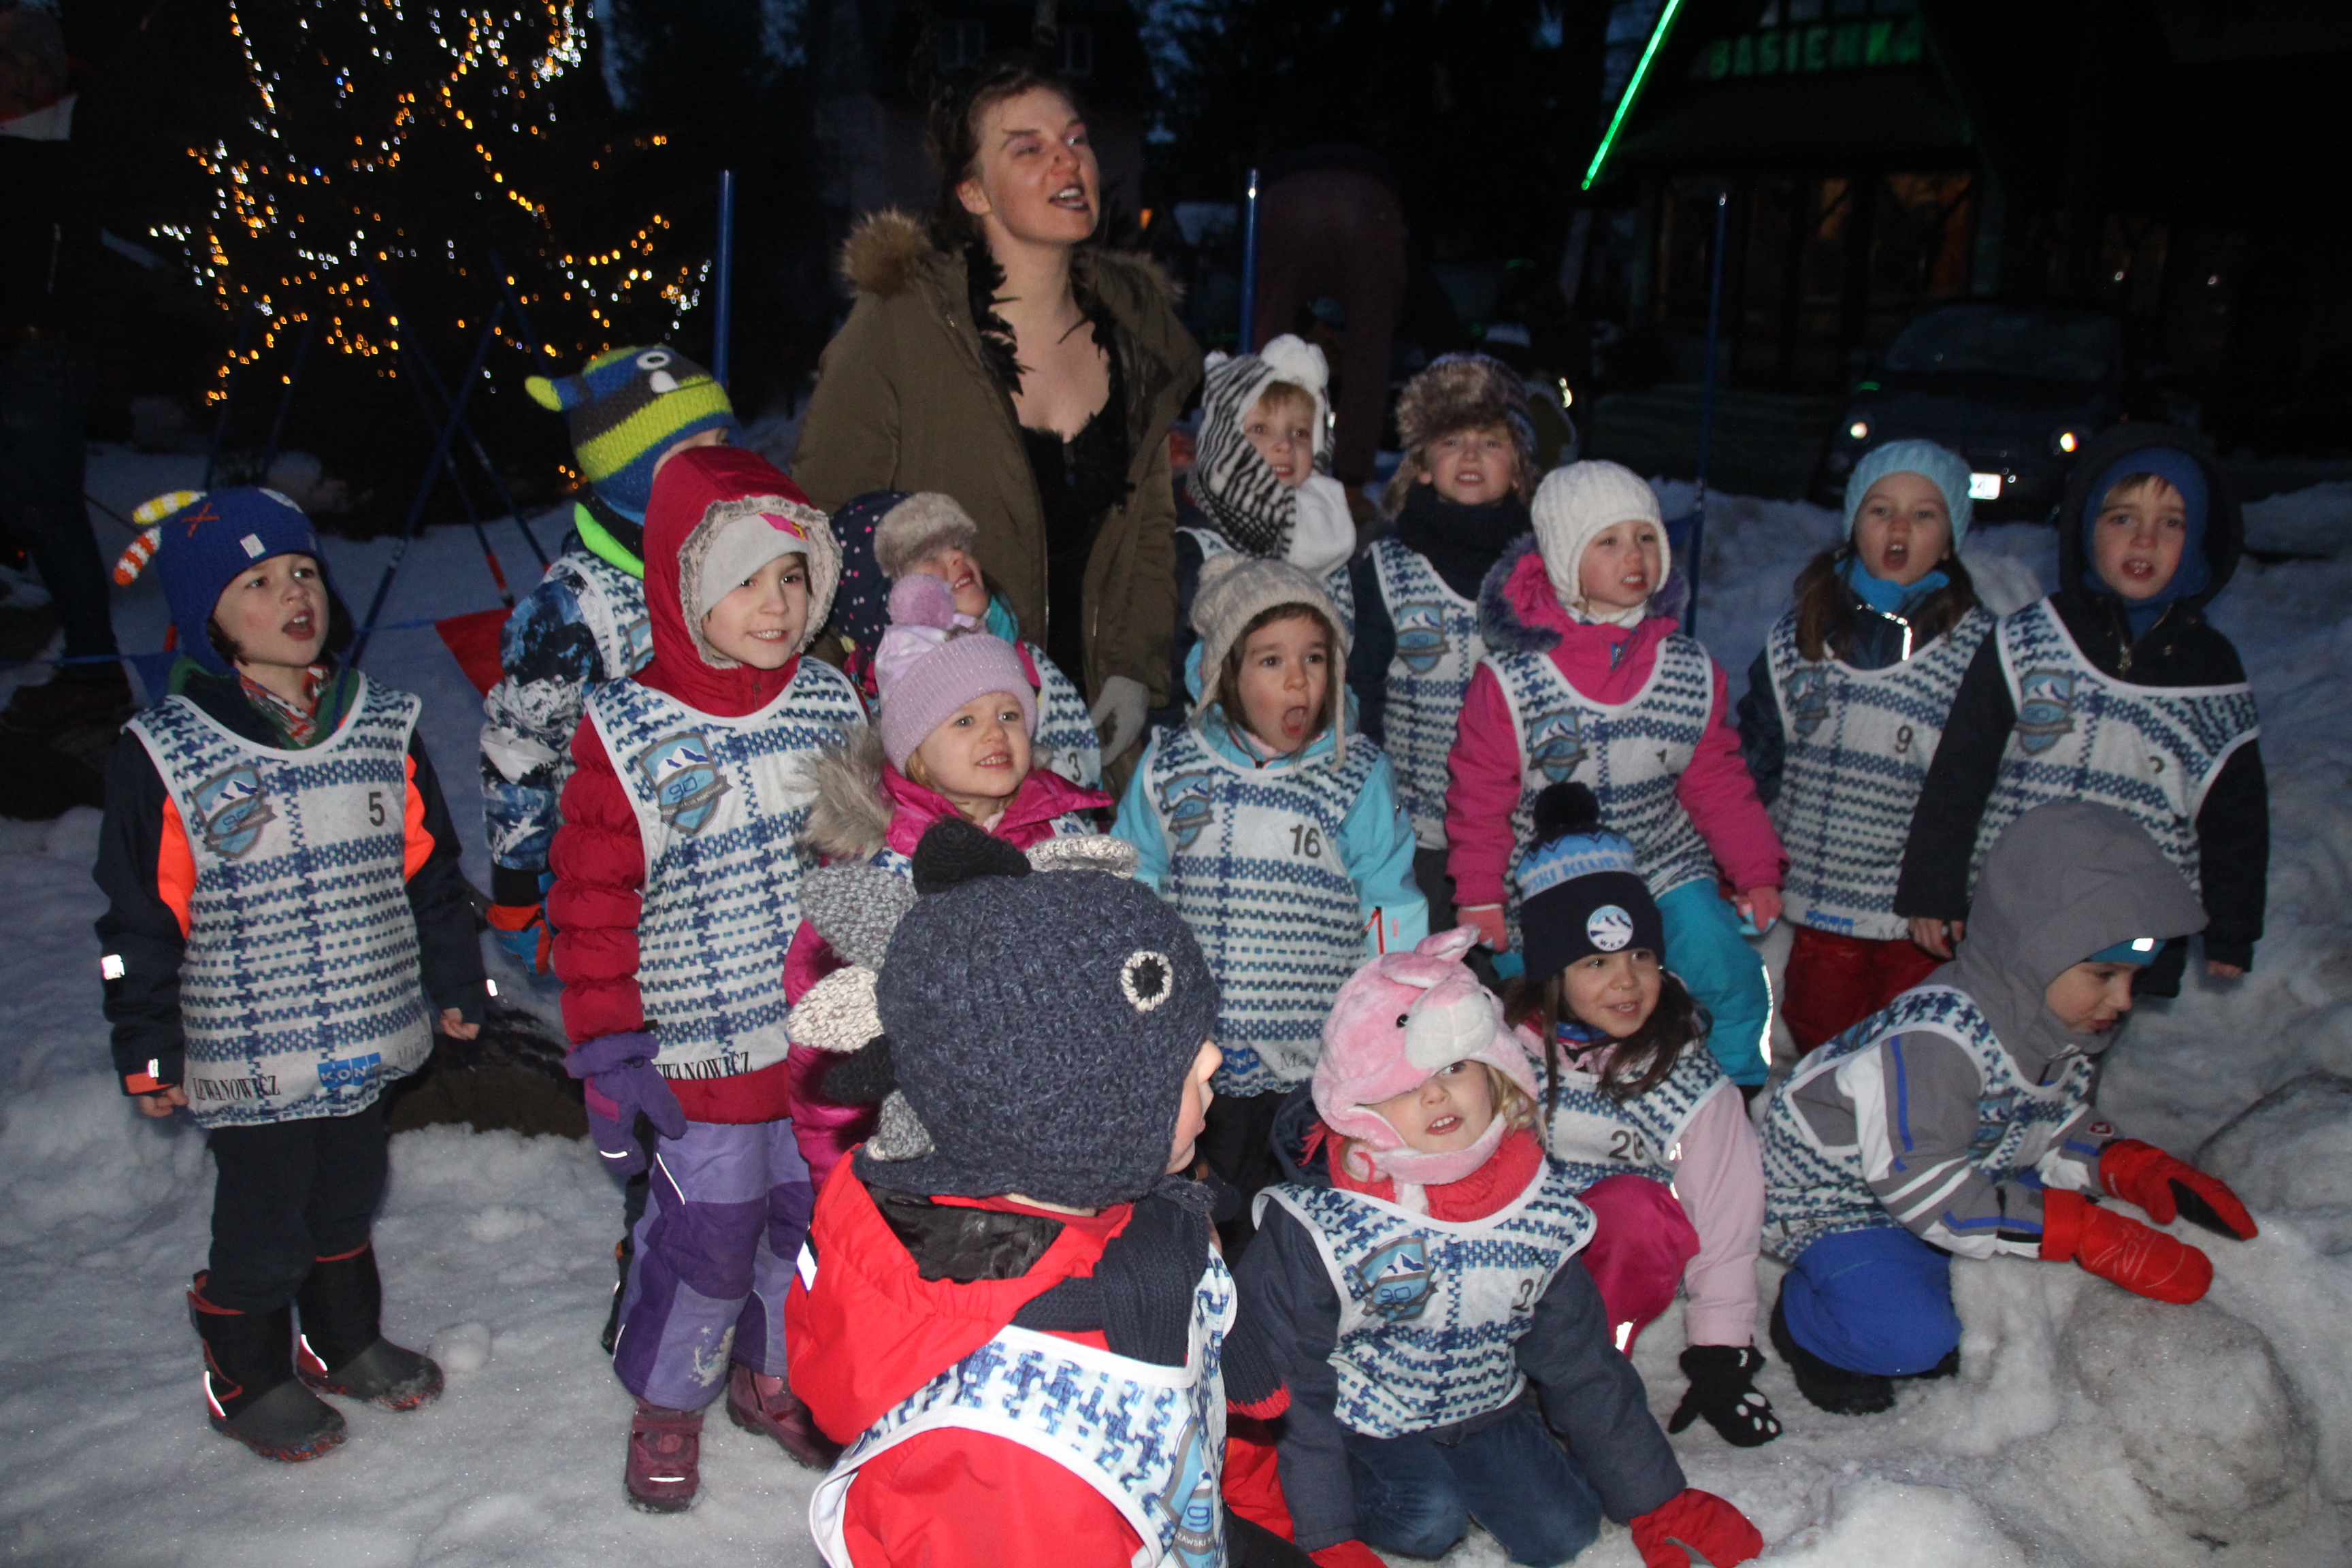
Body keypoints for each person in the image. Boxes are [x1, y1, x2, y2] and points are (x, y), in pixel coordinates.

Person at [92, 487, 485, 1460]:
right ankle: (246, 1370)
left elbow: (431, 873)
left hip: (366, 1023)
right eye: (257, 583)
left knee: (347, 1192)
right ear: (211, 618)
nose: (293, 595)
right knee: (267, 1219)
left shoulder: (378, 726)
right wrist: (146, 1041)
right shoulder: (170, 753)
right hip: (247, 1046)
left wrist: (455, 981)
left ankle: (342, 1340)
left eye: (303, 571)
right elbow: (141, 915)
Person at [786, 822, 1285, 1568]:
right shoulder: (1012, 1455)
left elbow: (1200, 1432)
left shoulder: (1133, 1219)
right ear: (1068, 1112)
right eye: (1178, 1053)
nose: (1212, 1056)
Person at [1235, 929, 1764, 1568]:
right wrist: (1324, 1533)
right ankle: (1379, 1495)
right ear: (1356, 1107)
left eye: (1455, 1068)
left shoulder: (1537, 1211)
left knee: (1564, 1532)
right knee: (1428, 1517)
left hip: (1484, 1410)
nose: (1435, 1094)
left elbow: (1582, 1366)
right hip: (1364, 1421)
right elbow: (1289, 1377)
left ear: (1498, 1073)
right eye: (1402, 1085)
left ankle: (1478, 1472)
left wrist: (1658, 1501)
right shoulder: (1326, 1226)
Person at [548, 447, 865, 1509]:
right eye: (743, 581)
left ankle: (771, 1372)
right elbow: (592, 905)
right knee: (707, 1240)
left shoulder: (829, 704)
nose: (776, 605)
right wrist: (610, 1050)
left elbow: (868, 862)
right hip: (700, 1057)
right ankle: (669, 1397)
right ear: (683, 590)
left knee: (806, 1226)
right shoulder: (630, 730)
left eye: (792, 577)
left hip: (818, 1050)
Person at [1762, 800, 2259, 1416]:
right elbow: (1926, 1189)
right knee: (1917, 1338)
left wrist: (2125, 1164)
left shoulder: (2047, 1021)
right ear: (2032, 952)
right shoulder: (1935, 1045)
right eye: (2105, 975)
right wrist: (2081, 1232)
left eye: (2135, 977)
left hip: (1959, 1164)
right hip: (1851, 1200)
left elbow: (2044, 1124)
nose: (2124, 1001)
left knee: (2058, 1229)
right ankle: (1809, 1326)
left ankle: (1925, 1268)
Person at [793, 58, 1203, 777]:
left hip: (1092, 734)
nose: (1067, 161)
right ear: (974, 191)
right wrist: (848, 726)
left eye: (1076, 139)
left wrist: (1136, 671)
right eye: (1028, 148)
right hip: (944, 741)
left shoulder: (1138, 336)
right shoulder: (902, 327)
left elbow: (1147, 531)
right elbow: (821, 530)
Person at [1113, 556, 1424, 1243]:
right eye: (1271, 660)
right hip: (1199, 1056)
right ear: (1223, 672)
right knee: (1202, 1208)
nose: (1298, 680)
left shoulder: (1352, 774)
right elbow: (1134, 884)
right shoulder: (1173, 769)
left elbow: (1388, 899)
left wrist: (1392, 1017)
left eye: (1315, 658)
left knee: (1298, 1215)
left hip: (1313, 1055)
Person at [1447, 461, 1785, 1090]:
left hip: (1659, 864)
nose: (1635, 556)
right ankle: (1554, 1098)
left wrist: (1755, 867)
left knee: (1722, 964)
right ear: (1564, 559)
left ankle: (1732, 1085)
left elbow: (1718, 780)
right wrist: (1481, 892)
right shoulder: (1513, 681)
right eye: (1608, 541)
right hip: (1546, 879)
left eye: (1647, 538)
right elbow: (1479, 796)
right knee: (1544, 1003)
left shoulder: (1687, 669)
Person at [1896, 425, 2266, 998]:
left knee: (2086, 1033)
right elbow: (1959, 773)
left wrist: (2232, 930)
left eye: (2172, 523)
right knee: (2000, 1032)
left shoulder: (2211, 672)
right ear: (2087, 527)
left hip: (2129, 920)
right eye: (2123, 518)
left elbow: (2235, 818)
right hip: (2014, 906)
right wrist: (1933, 891)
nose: (2144, 539)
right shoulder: (2027, 642)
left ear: (2198, 540)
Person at [784, 571, 1112, 1186]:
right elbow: (829, 1039)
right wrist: (844, 1172)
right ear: (914, 750)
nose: (995, 733)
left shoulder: (1063, 843)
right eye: (964, 721)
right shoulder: (879, 868)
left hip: (1049, 1147)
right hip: (916, 1151)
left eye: (1009, 714)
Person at [1503, 783, 1779, 1448]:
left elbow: (1727, 1210)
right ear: (1551, 973)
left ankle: (1584, 1379)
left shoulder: (1682, 1073)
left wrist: (1719, 1351)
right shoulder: (1503, 1053)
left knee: (1637, 1210)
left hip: (1605, 1281)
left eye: (1641, 956)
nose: (1625, 981)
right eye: (1596, 962)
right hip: (1508, 1269)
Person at [479, 344, 736, 975]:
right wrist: (520, 880)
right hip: (620, 877)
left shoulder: (735, 565)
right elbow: (521, 745)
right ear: (627, 469)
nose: (717, 463)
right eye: (691, 450)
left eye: (722, 441)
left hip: (724, 858)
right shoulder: (574, 607)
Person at [1739, 440, 1995, 1049]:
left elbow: (1983, 781)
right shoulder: (1801, 639)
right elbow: (1757, 755)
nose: (1899, 527)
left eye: (1924, 514)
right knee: (1822, 1025)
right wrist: (1740, 855)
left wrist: (1962, 888)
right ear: (1854, 524)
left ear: (1951, 540)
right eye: (1881, 510)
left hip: (1918, 907)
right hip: (1822, 888)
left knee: (1912, 1033)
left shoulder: (1977, 650)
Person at [1348, 353, 1538, 931]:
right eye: (1453, 441)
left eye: (1491, 442)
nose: (1472, 456)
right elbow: (1360, 693)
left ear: (1519, 470)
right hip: (1414, 833)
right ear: (1423, 467)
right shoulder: (1386, 571)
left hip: (1518, 832)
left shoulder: (1541, 575)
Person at [0, 5, 132, 766]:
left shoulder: (65, 131)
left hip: (42, 348)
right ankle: (86, 667)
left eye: (22, 65)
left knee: (50, 513)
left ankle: (94, 671)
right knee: (30, 509)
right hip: (22, 349)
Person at [834, 487, 1101, 789]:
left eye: (958, 546)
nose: (958, 556)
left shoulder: (1030, 666)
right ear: (888, 600)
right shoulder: (865, 710)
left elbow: (1082, 774)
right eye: (929, 555)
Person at [1173, 333, 1360, 691]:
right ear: (1225, 438)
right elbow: (1173, 663)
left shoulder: (1328, 534)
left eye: (1301, 433)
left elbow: (1350, 658)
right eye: (1260, 429)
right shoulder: (1195, 545)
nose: (1285, 445)